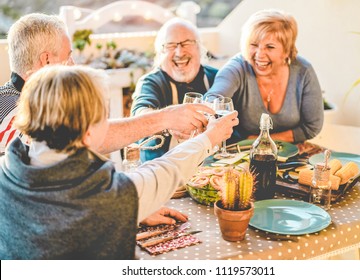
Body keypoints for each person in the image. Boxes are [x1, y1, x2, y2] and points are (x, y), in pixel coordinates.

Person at [0, 64, 238, 259]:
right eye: (104, 116)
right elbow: (164, 172)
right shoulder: (108, 197)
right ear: (89, 134)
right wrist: (210, 138)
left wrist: (130, 212)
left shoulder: (5, 170)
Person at [0, 13, 213, 225]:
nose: (73, 64)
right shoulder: (14, 120)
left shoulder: (30, 106)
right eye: (68, 55)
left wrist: (128, 209)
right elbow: (47, 205)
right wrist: (167, 119)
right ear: (47, 60)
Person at [204, 9, 323, 143]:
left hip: (293, 152)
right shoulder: (236, 68)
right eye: (254, 45)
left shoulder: (303, 71)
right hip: (241, 151)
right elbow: (214, 98)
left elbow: (312, 127)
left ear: (287, 50)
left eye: (270, 47)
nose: (259, 54)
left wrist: (261, 140)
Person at [131, 17, 218, 162]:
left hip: (212, 169)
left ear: (199, 48)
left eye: (187, 43)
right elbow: (139, 115)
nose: (179, 52)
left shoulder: (216, 77)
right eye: (170, 45)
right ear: (160, 53)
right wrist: (170, 121)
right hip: (162, 172)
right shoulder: (150, 82)